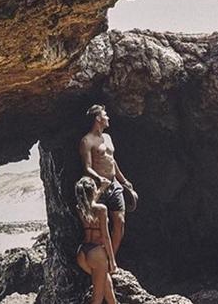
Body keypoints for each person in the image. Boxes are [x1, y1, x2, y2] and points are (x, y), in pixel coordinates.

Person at [79, 104, 133, 259]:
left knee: (120, 222)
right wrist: (99, 179)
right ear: (98, 118)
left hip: (114, 184)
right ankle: (101, 259)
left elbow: (112, 161)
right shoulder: (86, 141)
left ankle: (111, 259)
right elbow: (87, 167)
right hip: (99, 187)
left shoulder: (108, 138)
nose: (108, 117)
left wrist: (124, 180)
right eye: (105, 114)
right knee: (100, 225)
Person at [75, 177, 118, 304]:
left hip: (82, 253)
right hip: (97, 253)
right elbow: (105, 236)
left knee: (109, 294)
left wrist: (101, 188)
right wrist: (112, 260)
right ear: (93, 190)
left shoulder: (79, 208)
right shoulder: (102, 209)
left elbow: (89, 202)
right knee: (97, 298)